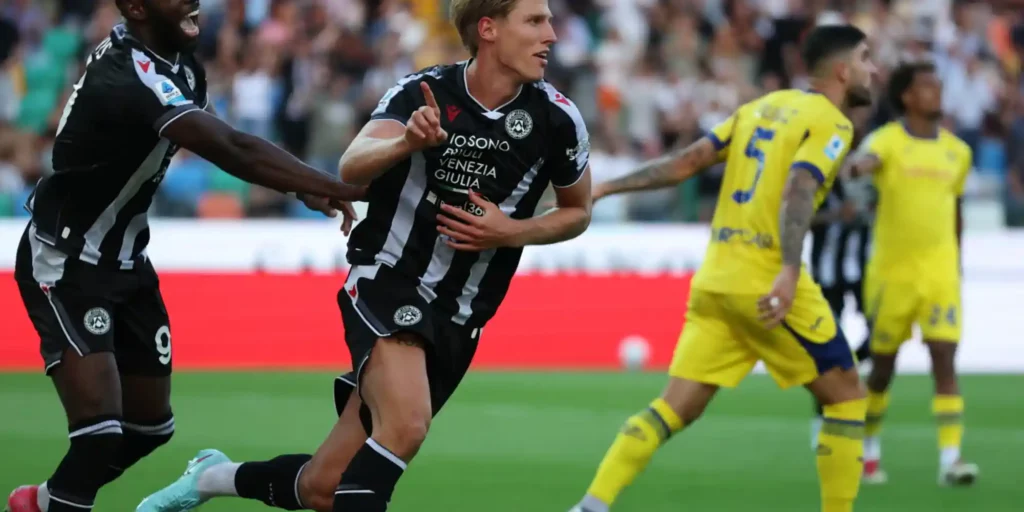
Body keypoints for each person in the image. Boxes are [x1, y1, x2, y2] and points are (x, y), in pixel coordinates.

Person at [135, 0, 593, 510]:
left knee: (323, 486)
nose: (552, 33)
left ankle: (211, 477)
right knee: (407, 424)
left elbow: (577, 212)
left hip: (460, 315)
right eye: (535, 20)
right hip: (388, 276)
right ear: (488, 29)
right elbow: (353, 165)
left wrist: (511, 231)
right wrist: (405, 143)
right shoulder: (425, 92)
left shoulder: (557, 118)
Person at [4, 0, 366, 511]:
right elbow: (230, 147)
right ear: (135, 7)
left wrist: (297, 186)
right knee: (99, 434)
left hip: (127, 262)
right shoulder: (128, 73)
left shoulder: (177, 64)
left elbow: (214, 132)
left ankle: (43, 502)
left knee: (150, 428)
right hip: (65, 258)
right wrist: (334, 183)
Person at [567, 24, 876, 512]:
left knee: (674, 407)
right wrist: (791, 270)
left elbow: (689, 161)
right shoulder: (833, 123)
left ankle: (591, 505)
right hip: (764, 280)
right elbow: (800, 187)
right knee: (847, 396)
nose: (873, 69)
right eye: (865, 58)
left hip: (714, 282)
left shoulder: (758, 109)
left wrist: (606, 187)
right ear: (842, 70)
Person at [841, 61, 978, 487]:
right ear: (907, 96)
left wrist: (956, 262)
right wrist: (858, 169)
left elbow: (955, 210)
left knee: (945, 359)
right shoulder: (887, 141)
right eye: (926, 87)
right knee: (882, 368)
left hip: (939, 274)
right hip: (891, 274)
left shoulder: (958, 151)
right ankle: (869, 454)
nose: (936, 93)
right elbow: (861, 165)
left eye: (937, 86)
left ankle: (951, 460)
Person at [808, 175, 873, 449]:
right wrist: (836, 214)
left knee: (881, 336)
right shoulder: (819, 178)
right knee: (823, 350)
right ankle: (820, 421)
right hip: (827, 274)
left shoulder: (872, 179)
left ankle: (849, 364)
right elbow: (799, 217)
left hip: (864, 273)